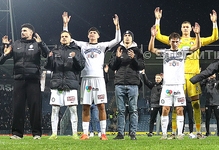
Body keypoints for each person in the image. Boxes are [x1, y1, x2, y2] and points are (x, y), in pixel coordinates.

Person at [154, 7, 219, 138]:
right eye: (183, 27)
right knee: (175, 105)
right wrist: (157, 20)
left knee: (196, 104)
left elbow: (215, 37)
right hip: (178, 78)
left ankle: (199, 131)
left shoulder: (196, 40)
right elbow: (157, 35)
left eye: (187, 27)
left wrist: (214, 22)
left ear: (190, 29)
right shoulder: (175, 41)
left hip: (194, 75)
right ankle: (173, 132)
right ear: (181, 29)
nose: (185, 28)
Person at [62, 12, 121, 140]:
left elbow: (117, 40)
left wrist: (117, 27)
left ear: (98, 36)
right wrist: (65, 24)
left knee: (101, 106)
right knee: (85, 106)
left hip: (99, 79)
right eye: (90, 33)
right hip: (86, 79)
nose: (92, 34)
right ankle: (85, 133)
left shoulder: (102, 46)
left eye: (94, 33)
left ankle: (103, 133)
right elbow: (68, 39)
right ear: (88, 35)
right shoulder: (83, 45)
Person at [148, 24, 201, 139]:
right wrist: (153, 37)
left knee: (180, 109)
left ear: (179, 42)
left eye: (177, 41)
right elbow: (151, 49)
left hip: (179, 85)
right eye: (173, 41)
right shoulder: (165, 52)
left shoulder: (183, 51)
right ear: (169, 42)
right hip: (167, 86)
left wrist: (197, 34)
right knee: (165, 109)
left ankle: (180, 134)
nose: (175, 43)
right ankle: (164, 134)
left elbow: (197, 46)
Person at [0, 24, 48, 139]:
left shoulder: (37, 44)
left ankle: (36, 134)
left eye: (25, 30)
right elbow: (0, 61)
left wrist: (41, 43)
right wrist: (4, 49)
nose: (22, 32)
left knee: (35, 107)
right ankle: (17, 133)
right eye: (21, 30)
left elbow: (48, 55)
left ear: (31, 33)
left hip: (33, 79)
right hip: (19, 79)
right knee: (17, 107)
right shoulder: (15, 44)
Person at [45, 29, 86, 138]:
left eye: (66, 36)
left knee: (73, 109)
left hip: (70, 84)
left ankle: (74, 134)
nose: (64, 38)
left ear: (70, 39)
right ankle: (54, 133)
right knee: (55, 109)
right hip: (57, 83)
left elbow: (81, 66)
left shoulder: (77, 51)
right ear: (60, 39)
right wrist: (49, 58)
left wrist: (75, 57)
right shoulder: (55, 51)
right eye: (62, 36)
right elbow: (49, 67)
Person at [110, 30, 145, 140]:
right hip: (119, 83)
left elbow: (141, 66)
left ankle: (132, 133)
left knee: (133, 109)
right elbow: (112, 66)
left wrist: (133, 58)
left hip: (133, 83)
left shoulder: (137, 51)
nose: (127, 37)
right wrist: (117, 57)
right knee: (120, 110)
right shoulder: (117, 49)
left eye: (129, 35)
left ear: (132, 38)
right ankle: (120, 133)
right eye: (125, 35)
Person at [143, 72, 163, 136]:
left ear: (161, 79)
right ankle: (150, 132)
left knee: (163, 119)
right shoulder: (153, 85)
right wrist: (143, 74)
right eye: (156, 78)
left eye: (159, 78)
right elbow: (146, 82)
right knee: (152, 119)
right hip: (154, 104)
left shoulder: (164, 85)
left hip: (162, 104)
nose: (157, 79)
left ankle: (164, 132)